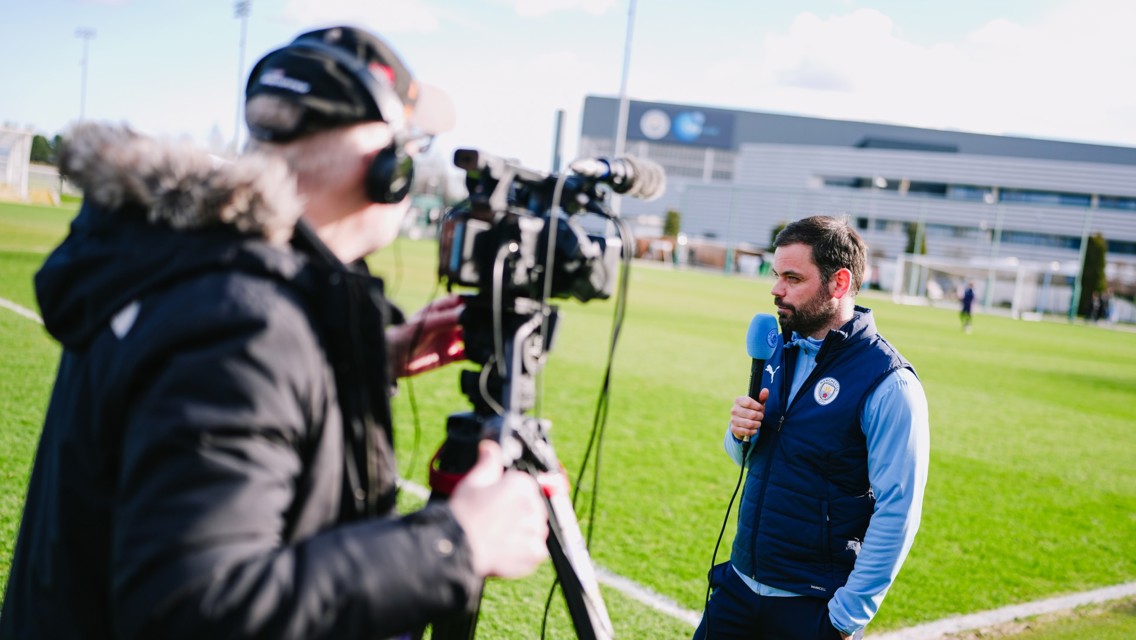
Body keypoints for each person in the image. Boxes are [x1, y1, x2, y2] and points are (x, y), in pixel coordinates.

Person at [0, 26, 548, 640]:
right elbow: (193, 606)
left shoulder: (195, 266)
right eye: (413, 145)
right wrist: (457, 545)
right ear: (385, 169)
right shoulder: (241, 323)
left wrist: (364, 359)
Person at [694, 216, 930, 640]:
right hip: (739, 587)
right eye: (775, 275)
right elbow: (752, 459)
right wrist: (739, 433)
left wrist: (844, 619)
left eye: (791, 277)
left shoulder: (889, 381)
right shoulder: (779, 348)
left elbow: (898, 510)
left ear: (838, 283)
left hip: (811, 608)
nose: (775, 289)